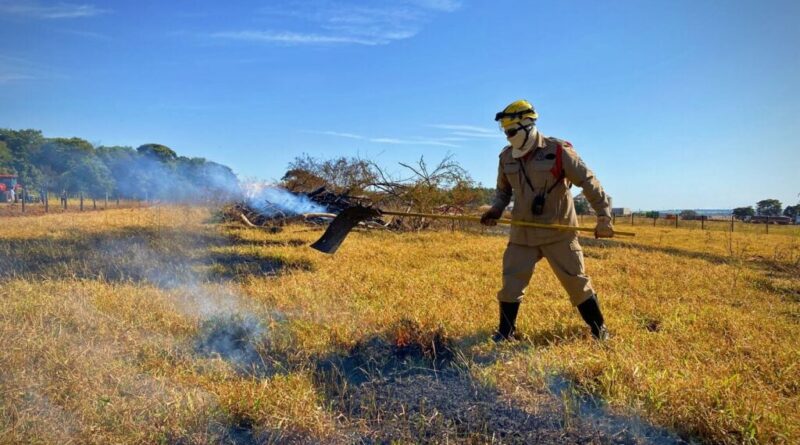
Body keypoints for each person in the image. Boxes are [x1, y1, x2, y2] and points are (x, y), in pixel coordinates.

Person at [481, 100, 614, 341]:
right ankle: (505, 333)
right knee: (511, 282)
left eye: (511, 131)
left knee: (576, 282)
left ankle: (599, 330)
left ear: (527, 125)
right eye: (505, 131)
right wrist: (496, 209)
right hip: (523, 232)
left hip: (558, 231)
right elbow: (503, 191)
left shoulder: (558, 151)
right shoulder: (506, 157)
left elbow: (588, 181)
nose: (508, 136)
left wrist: (604, 216)